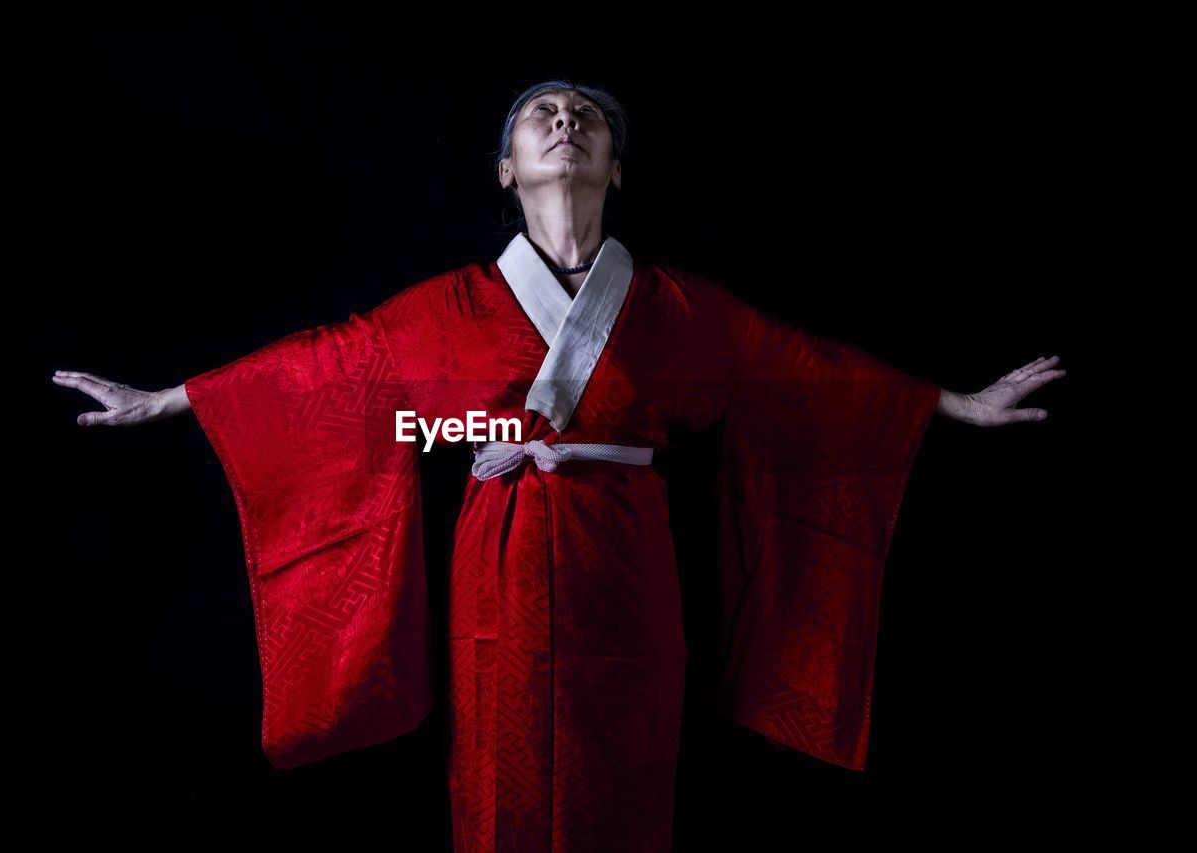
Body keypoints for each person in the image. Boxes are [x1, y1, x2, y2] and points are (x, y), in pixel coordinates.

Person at [52, 79, 1065, 852]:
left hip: (626, 560)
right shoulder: (449, 306)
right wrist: (169, 399)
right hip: (494, 564)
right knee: (499, 771)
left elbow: (794, 373)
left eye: (586, 115)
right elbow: (328, 369)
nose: (566, 122)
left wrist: (950, 404)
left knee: (624, 769)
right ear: (505, 169)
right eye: (541, 114)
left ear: (616, 167)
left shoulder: (673, 308)